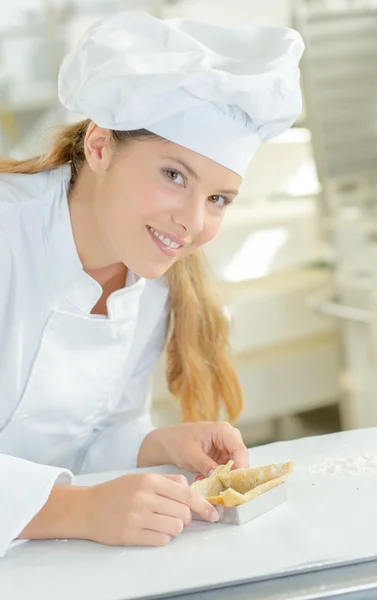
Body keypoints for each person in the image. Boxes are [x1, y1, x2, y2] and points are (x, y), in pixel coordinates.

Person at [0, 12, 304, 555]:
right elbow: (74, 494)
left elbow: (85, 440)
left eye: (217, 199)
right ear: (99, 147)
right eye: (174, 175)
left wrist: (153, 445)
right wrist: (73, 510)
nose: (192, 221)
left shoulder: (151, 282)